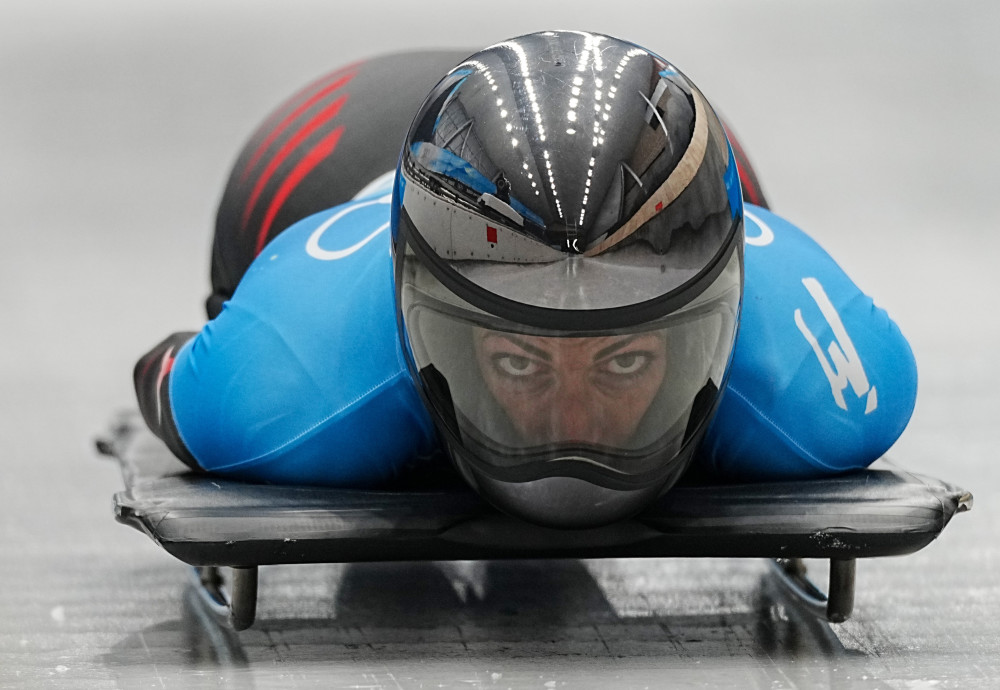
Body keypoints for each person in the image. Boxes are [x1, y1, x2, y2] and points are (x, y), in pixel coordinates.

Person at [134, 31, 917, 528]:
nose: (569, 427)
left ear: (717, 325)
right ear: (415, 320)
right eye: (519, 361)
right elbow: (174, 369)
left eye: (625, 360)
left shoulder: (825, 382)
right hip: (331, 145)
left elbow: (163, 370)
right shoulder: (283, 373)